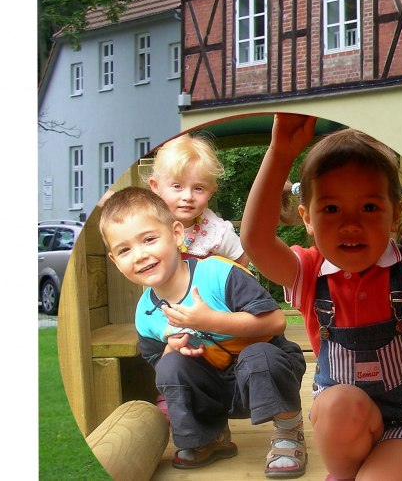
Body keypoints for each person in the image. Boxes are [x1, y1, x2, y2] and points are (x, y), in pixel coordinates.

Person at [240, 114, 402, 481]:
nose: (351, 224)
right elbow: (255, 242)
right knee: (337, 402)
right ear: (307, 218)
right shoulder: (309, 272)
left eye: (369, 207)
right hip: (344, 431)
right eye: (331, 209)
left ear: (395, 214)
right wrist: (280, 152)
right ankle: (344, 474)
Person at [99, 187, 309, 478]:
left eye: (149, 239)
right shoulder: (145, 312)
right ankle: (210, 438)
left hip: (265, 372)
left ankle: (288, 431)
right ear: (115, 261)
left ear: (176, 234)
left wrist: (210, 321)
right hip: (213, 384)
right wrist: (171, 350)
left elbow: (275, 322)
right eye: (125, 250)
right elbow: (157, 364)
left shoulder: (218, 274)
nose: (140, 255)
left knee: (260, 354)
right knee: (171, 366)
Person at [149, 132, 249, 265]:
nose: (188, 197)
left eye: (198, 188)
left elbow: (242, 259)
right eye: (177, 186)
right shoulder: (147, 221)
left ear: (211, 191)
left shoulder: (215, 230)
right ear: (156, 186)